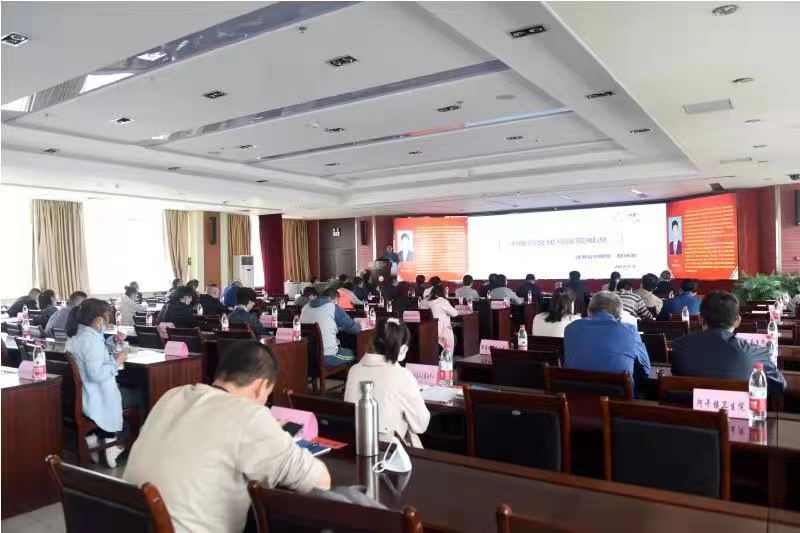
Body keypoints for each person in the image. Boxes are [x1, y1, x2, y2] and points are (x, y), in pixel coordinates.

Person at [124, 341, 330, 533]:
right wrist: (271, 434)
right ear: (260, 386)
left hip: (131, 524)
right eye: (267, 394)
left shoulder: (173, 395)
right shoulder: (250, 417)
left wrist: (267, 433)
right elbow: (319, 482)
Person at [65, 298, 138, 467]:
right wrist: (117, 361)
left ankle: (97, 441)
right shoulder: (91, 342)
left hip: (83, 396)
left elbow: (96, 356)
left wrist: (111, 342)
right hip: (96, 397)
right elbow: (97, 373)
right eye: (107, 317)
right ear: (99, 320)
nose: (108, 321)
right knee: (140, 394)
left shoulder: (77, 337)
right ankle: (114, 442)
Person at [671, 291, 786, 393]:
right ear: (737, 321)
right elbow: (780, 385)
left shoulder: (679, 346)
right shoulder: (757, 352)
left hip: (689, 411)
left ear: (701, 319)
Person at [344, 320, 430, 447]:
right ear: (403, 349)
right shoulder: (403, 375)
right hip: (388, 450)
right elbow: (421, 425)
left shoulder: (354, 370)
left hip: (356, 444)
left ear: (373, 342)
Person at [563, 291, 651, 385]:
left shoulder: (571, 328)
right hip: (617, 392)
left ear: (589, 311)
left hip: (575, 391)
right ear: (619, 315)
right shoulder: (630, 331)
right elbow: (645, 370)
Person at [300, 287, 361, 367]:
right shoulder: (332, 307)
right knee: (356, 353)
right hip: (327, 357)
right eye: (336, 301)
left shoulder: (305, 307)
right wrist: (360, 324)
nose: (337, 304)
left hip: (307, 357)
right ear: (330, 299)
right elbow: (355, 329)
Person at [420, 285, 458, 349]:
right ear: (442, 292)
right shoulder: (442, 301)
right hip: (441, 334)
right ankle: (447, 354)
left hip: (425, 332)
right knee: (455, 337)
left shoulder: (424, 301)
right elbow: (455, 313)